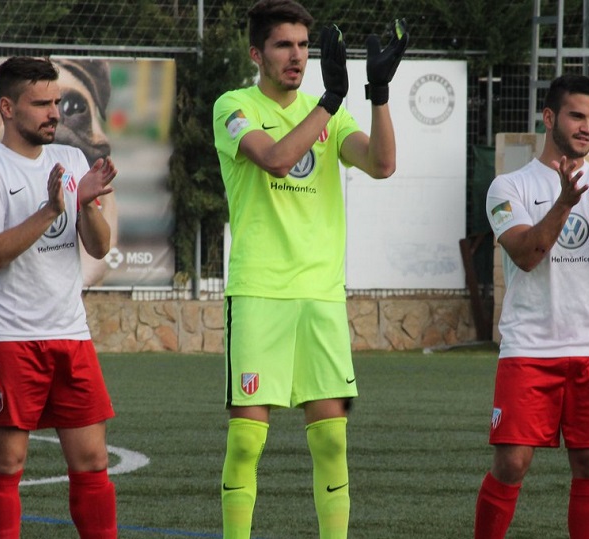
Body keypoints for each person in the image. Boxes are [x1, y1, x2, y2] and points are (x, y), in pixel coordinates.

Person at [211, 1, 407, 537]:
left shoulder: (332, 113)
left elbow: (383, 164)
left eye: (303, 45)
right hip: (259, 294)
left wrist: (378, 94)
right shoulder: (234, 105)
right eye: (283, 45)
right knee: (247, 440)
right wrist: (331, 101)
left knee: (331, 438)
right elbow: (274, 157)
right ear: (257, 53)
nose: (296, 56)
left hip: (321, 296)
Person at [475, 74, 589, 539]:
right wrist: (563, 202)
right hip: (530, 347)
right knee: (512, 463)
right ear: (550, 117)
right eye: (577, 115)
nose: (587, 128)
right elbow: (525, 255)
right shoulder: (508, 186)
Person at [0, 56, 118, 539]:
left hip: (70, 335)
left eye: (56, 102)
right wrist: (53, 208)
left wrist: (85, 203)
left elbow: (98, 246)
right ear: (7, 107)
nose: (54, 113)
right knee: (7, 463)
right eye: (40, 103)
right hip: (8, 339)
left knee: (92, 461)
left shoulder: (70, 160)